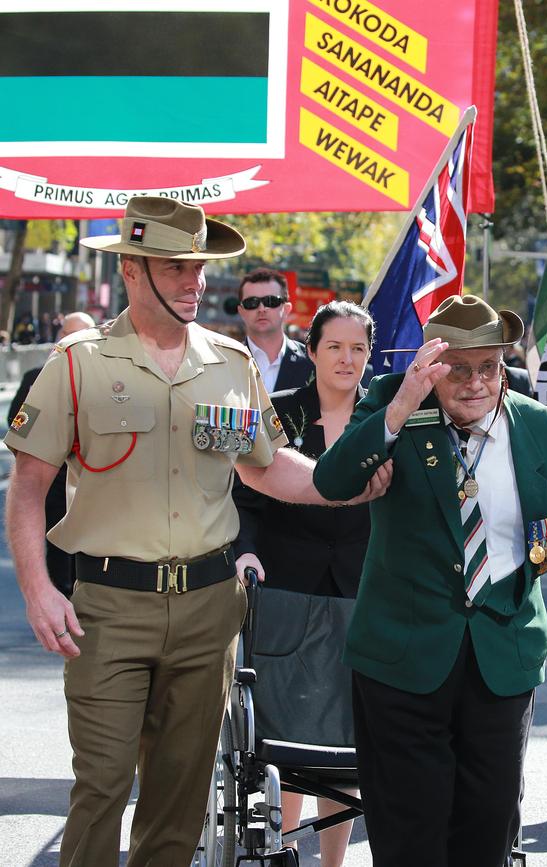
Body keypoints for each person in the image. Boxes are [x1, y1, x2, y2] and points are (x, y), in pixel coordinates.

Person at [4, 196, 390, 867]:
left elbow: (271, 471)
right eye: (177, 266)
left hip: (209, 608)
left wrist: (347, 482)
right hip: (110, 606)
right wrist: (39, 590)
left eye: (200, 267)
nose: (195, 281)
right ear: (131, 268)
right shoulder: (79, 362)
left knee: (179, 795)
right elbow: (28, 488)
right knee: (102, 782)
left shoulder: (230, 364)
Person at [313, 293, 547, 867]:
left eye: (488, 367)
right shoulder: (396, 409)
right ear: (431, 365)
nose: (475, 383)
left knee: (489, 827)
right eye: (458, 369)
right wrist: (400, 406)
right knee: (409, 833)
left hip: (503, 657)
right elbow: (333, 479)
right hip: (403, 658)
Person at [234, 300, 374, 867]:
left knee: (348, 729)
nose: (346, 359)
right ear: (310, 350)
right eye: (334, 346)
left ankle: (333, 861)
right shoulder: (278, 414)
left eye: (358, 348)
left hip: (364, 584)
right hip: (286, 583)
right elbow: (244, 495)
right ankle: (282, 847)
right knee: (291, 724)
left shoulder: (385, 419)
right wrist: (244, 551)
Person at [7, 311, 96, 598]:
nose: (71, 340)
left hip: (92, 482)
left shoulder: (104, 381)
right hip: (54, 477)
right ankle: (59, 594)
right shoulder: (37, 377)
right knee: (56, 545)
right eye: (65, 333)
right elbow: (16, 423)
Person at [238, 267, 315, 392]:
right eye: (252, 302)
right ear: (241, 311)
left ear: (286, 309)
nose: (262, 308)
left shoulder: (312, 363)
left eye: (271, 301)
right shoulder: (227, 362)